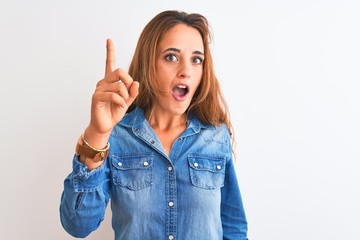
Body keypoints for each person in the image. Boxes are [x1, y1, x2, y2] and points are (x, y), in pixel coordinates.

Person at [60, 10, 248, 240]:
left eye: (196, 59)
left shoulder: (215, 136)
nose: (186, 71)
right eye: (171, 57)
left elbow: (234, 228)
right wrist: (97, 133)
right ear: (149, 63)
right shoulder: (117, 136)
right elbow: (77, 224)